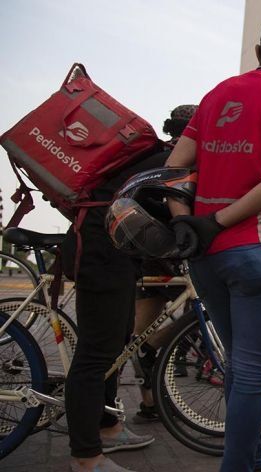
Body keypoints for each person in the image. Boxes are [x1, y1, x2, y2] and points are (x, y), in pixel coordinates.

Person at [164, 14, 261, 472]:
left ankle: (254, 459)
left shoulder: (217, 94)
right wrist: (221, 221)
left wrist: (187, 222)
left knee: (236, 364)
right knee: (251, 372)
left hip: (207, 255)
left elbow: (173, 168)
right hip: (260, 247)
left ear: (259, 52)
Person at [63, 150, 170, 471]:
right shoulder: (172, 161)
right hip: (102, 250)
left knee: (116, 346)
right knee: (96, 354)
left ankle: (107, 426)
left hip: (115, 251)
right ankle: (86, 457)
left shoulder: (159, 157)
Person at [132, 104, 198, 424]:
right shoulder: (186, 161)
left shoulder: (157, 157)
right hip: (171, 257)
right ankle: (149, 391)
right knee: (205, 313)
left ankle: (149, 403)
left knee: (139, 336)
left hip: (147, 256)